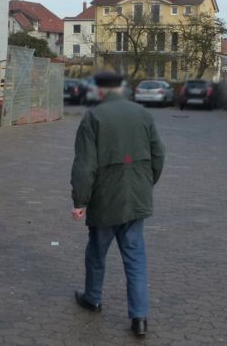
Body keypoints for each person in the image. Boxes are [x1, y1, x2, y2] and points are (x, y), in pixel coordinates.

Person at [71, 71, 165, 338]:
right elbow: (159, 154)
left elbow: (85, 165)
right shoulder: (143, 114)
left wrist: (80, 200)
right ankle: (139, 318)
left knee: (96, 254)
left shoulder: (94, 117)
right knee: (135, 259)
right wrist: (145, 183)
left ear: (100, 90)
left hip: (105, 201)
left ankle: (93, 298)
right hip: (136, 199)